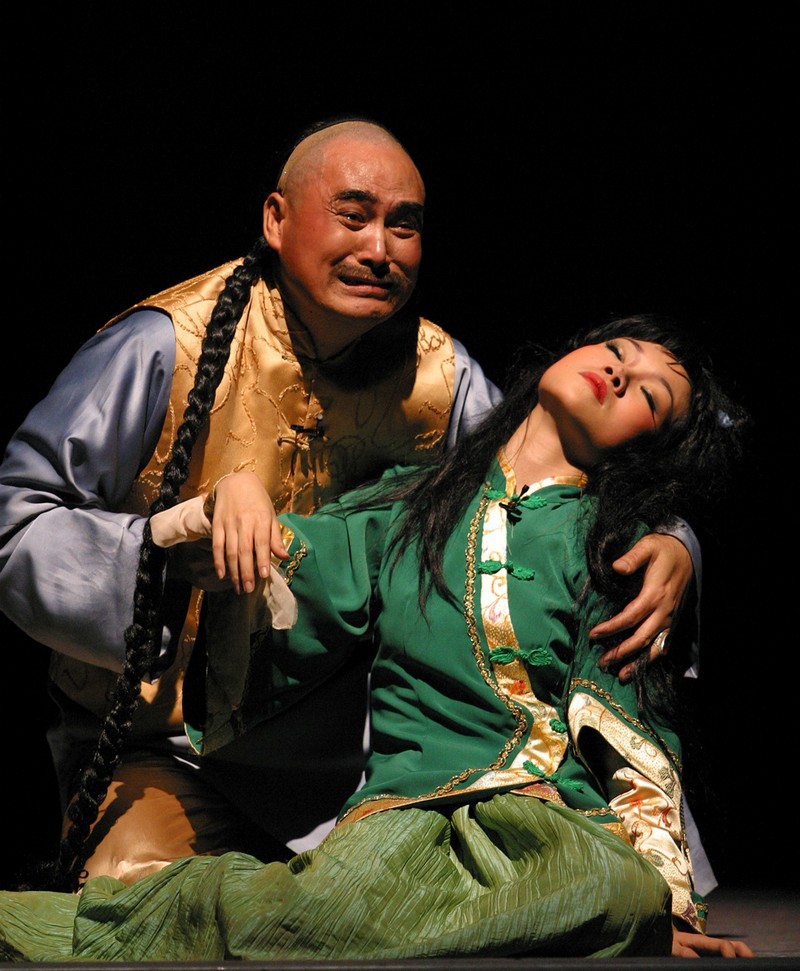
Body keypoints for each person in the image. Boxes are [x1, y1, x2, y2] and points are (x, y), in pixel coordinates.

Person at [0, 117, 697, 893]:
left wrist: (676, 543)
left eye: (404, 226)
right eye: (354, 215)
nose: (379, 249)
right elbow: (16, 523)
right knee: (154, 906)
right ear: (275, 219)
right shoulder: (163, 344)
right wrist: (170, 552)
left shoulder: (439, 376)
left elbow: (553, 475)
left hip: (369, 766)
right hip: (164, 747)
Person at [0, 315, 752, 962]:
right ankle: (199, 911)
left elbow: (633, 738)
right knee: (341, 899)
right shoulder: (405, 510)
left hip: (550, 831)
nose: (621, 373)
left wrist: (669, 906)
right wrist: (231, 498)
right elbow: (289, 570)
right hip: (406, 821)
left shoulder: (614, 550)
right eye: (617, 351)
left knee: (613, 885)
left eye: (649, 394)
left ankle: (323, 923)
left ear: (644, 450)